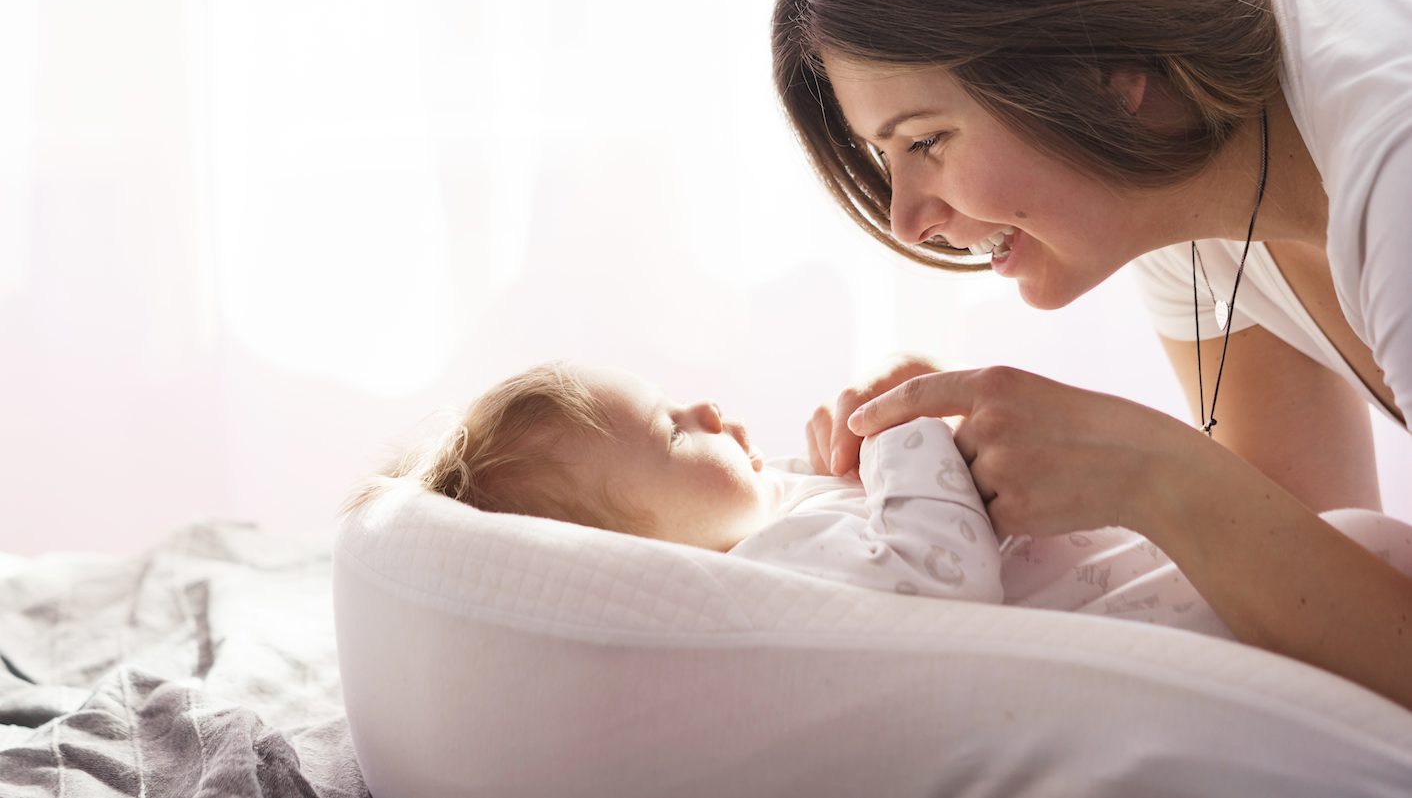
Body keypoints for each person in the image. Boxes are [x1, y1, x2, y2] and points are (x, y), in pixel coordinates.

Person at [771, 0, 1412, 707]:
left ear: (1108, 70)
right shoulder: (1182, 181)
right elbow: (1315, 570)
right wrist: (953, 474)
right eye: (888, 155)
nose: (907, 218)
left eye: (927, 141)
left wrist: (1151, 470)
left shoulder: (1392, 156)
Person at [348, 360, 1412, 641]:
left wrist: (879, 461)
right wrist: (904, 439)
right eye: (673, 427)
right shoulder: (764, 579)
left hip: (1247, 574)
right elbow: (938, 584)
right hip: (1236, 619)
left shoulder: (792, 523)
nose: (710, 403)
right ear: (626, 546)